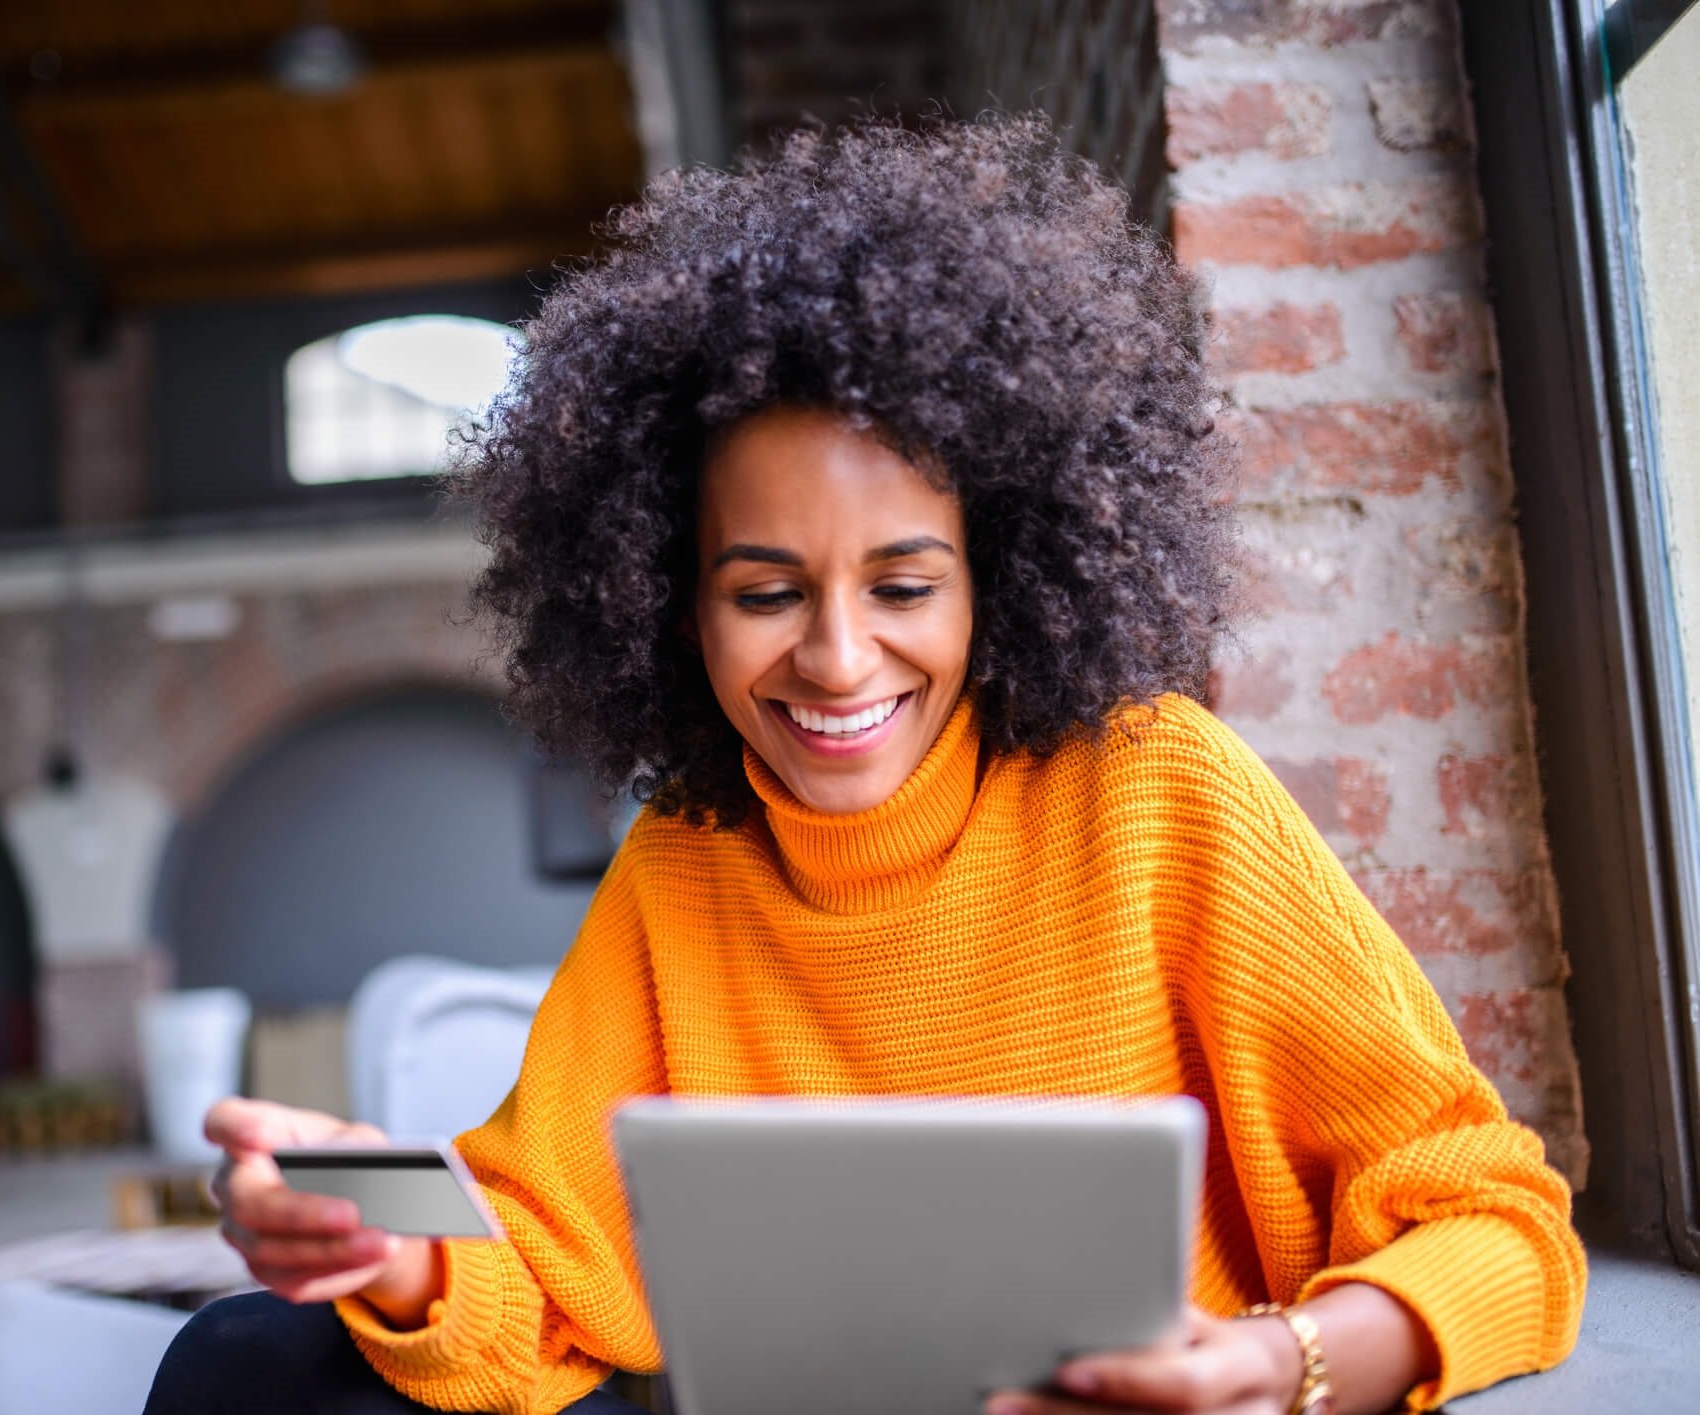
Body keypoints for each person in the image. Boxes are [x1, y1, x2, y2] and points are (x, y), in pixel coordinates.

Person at [145, 115, 1585, 1415]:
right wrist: (395, 1254)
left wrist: (1282, 1365)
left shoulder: (1157, 791)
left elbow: (1501, 1223)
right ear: (666, 600)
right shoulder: (685, 868)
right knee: (245, 1363)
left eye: (903, 589)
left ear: (999, 580)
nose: (837, 661)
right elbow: (543, 1267)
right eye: (766, 594)